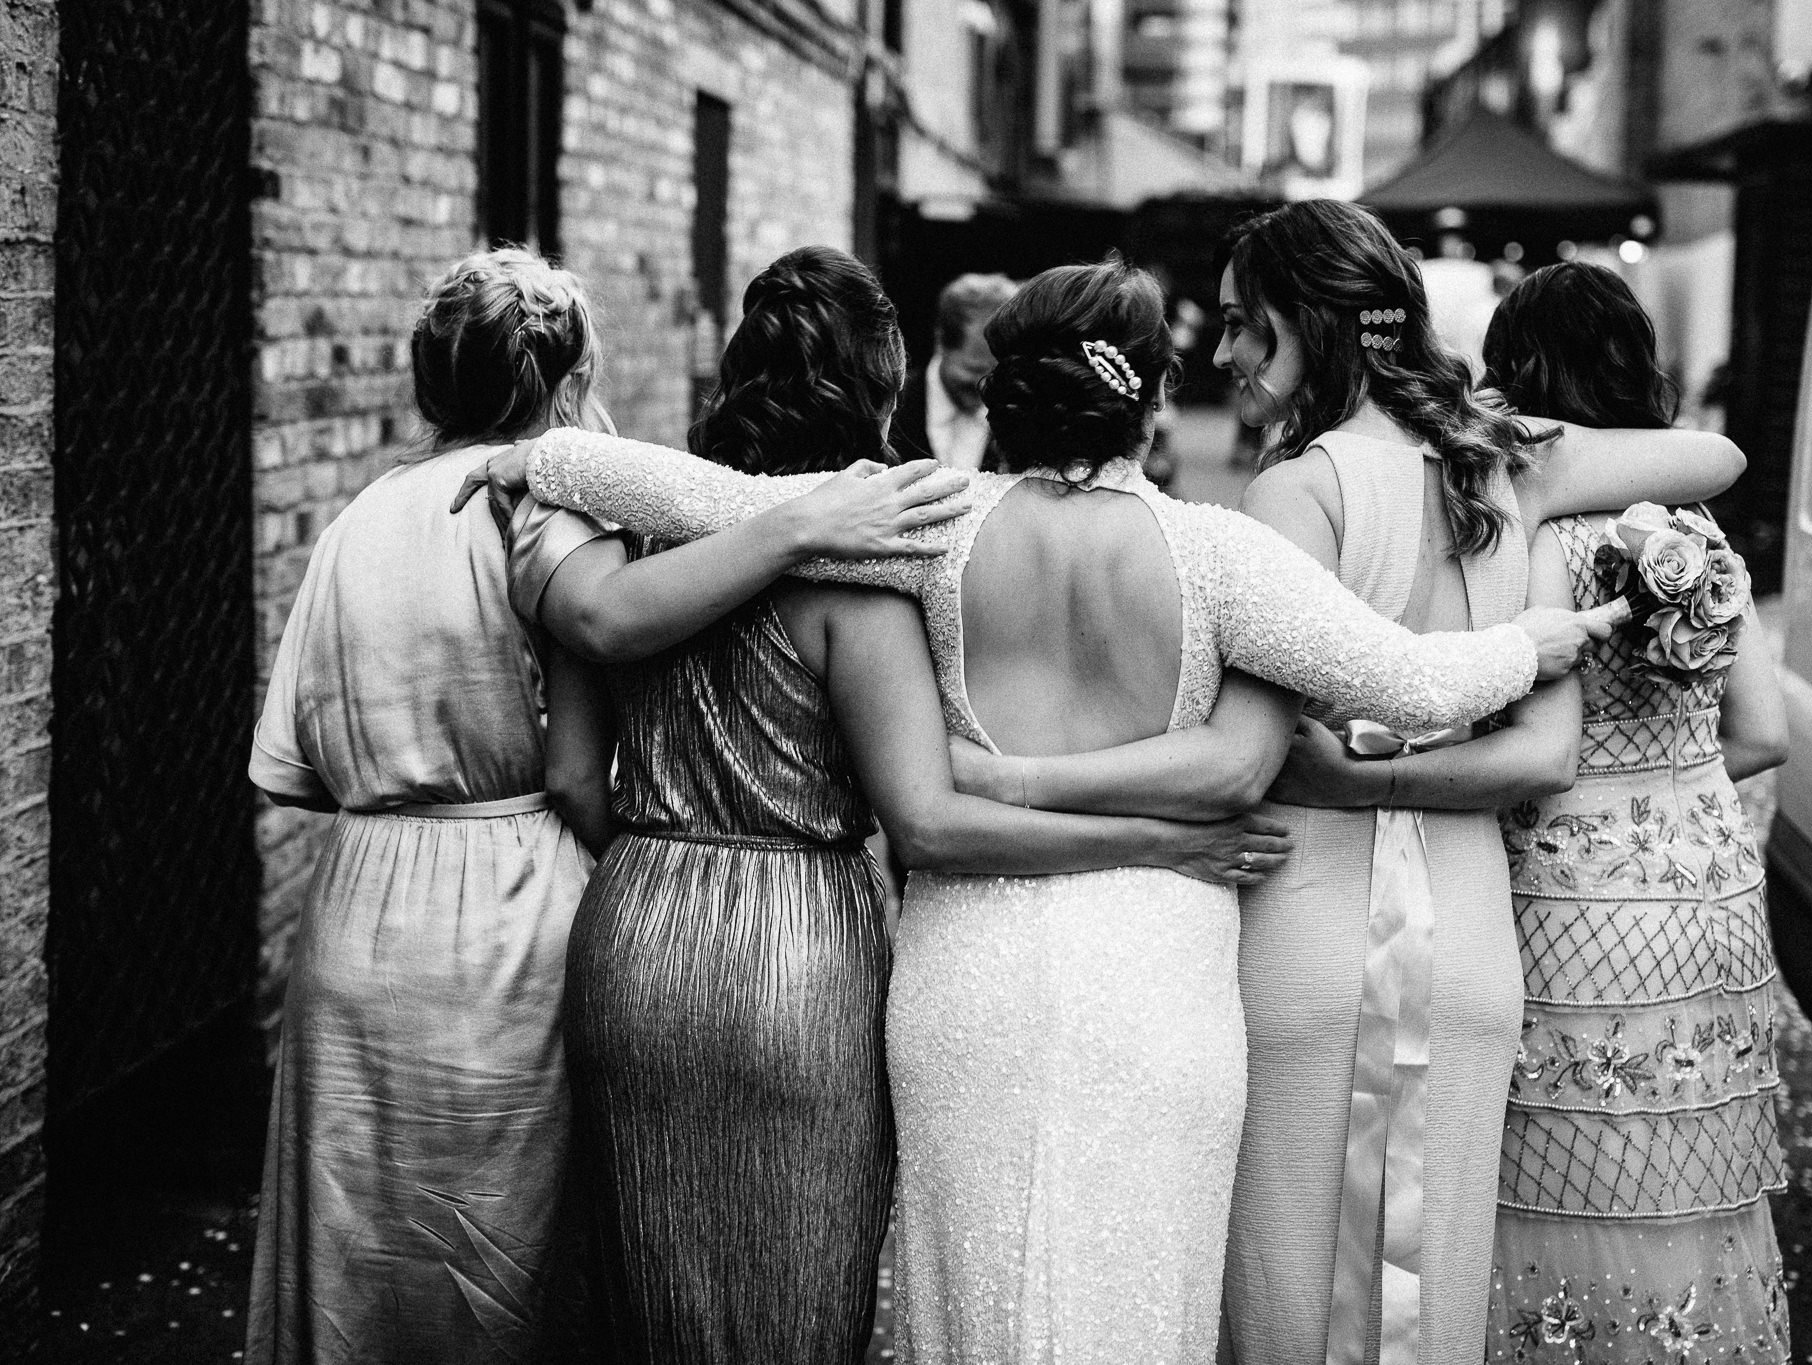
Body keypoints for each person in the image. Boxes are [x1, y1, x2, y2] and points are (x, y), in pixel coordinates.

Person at [464, 254, 1629, 1364]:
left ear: (1005, 390)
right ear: (1150, 400)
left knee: (974, 1306)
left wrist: (539, 463)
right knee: (1143, 1301)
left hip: (967, 971)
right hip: (1157, 967)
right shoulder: (1220, 557)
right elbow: (1417, 684)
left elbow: (705, 496)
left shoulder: (927, 525)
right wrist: (1532, 642)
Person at [942, 204, 1750, 1365]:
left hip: (1308, 930)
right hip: (1469, 947)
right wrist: (1515, 439)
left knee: (1282, 1299)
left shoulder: (1291, 494)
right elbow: (1543, 749)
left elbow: (1255, 760)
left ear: (1305, 326)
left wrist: (1341, 776)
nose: (1221, 357)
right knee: (1431, 1314)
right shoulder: (1501, 462)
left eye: (1239, 327)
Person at [512, 246, 1289, 1365]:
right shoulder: (868, 577)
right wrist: (1167, 843)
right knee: (800, 1293)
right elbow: (923, 816)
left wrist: (662, 861)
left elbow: (575, 773)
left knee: (646, 1281)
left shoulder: (643, 539)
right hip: (797, 938)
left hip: (635, 917)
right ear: (883, 383)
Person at [243, 247, 969, 1365]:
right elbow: (603, 664)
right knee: (512, 1261)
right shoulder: (537, 503)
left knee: (362, 1254)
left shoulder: (356, 521)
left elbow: (294, 759)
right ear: (563, 378)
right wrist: (801, 526)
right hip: (506, 912)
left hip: (352, 906)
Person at [1476, 261, 1792, 1365]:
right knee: (1679, 1171)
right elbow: (1762, 733)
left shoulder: (1520, 529)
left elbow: (1530, 751)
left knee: (1558, 1164)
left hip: (1568, 898)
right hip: (1701, 880)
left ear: (1514, 371)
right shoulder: (1692, 529)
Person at [891, 272, 1018, 470]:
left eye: (997, 373)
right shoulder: (891, 410)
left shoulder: (1018, 417)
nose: (985, 385)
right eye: (973, 369)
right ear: (941, 342)